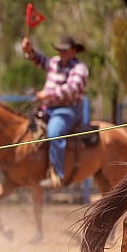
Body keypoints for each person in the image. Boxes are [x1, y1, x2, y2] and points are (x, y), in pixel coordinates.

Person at [20, 35, 89, 188]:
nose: (61, 53)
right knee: (29, 129)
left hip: (67, 110)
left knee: (54, 132)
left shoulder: (79, 68)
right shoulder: (54, 62)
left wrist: (47, 94)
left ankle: (57, 174)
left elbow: (72, 89)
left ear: (73, 51)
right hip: (47, 108)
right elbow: (39, 60)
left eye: (65, 50)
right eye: (59, 50)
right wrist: (29, 51)